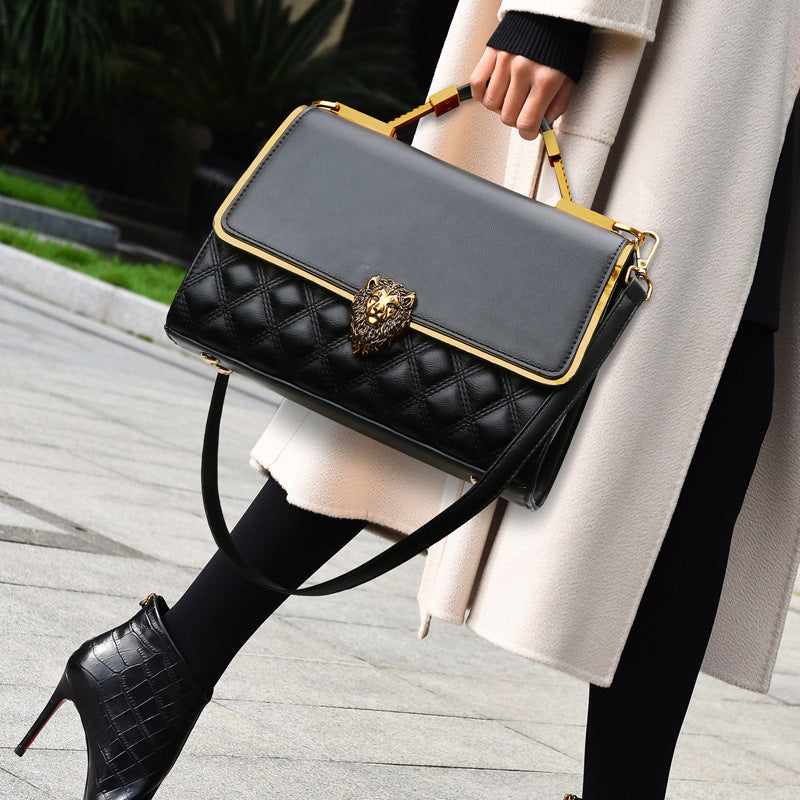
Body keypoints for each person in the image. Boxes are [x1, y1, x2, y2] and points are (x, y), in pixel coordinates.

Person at [15, 1, 800, 799]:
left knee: (701, 433)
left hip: (771, 78)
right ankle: (164, 664)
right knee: (440, 357)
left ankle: (156, 668)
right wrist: (553, 17)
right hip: (687, 52)